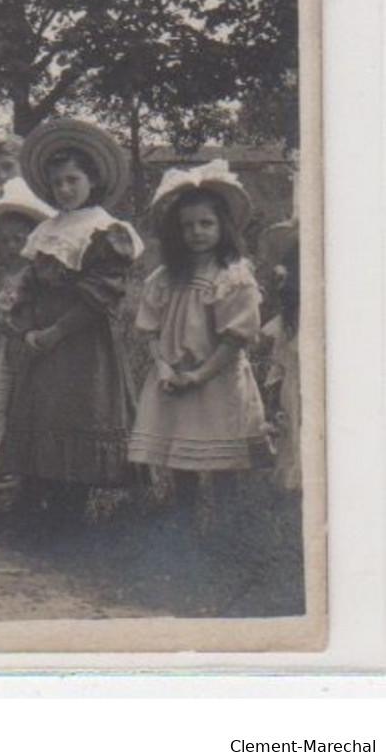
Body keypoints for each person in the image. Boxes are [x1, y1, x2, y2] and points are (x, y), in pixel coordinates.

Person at [0, 118, 143, 528]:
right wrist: (22, 324)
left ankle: (69, 512)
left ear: (91, 180)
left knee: (77, 414)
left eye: (72, 180)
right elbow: (27, 286)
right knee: (42, 413)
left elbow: (102, 296)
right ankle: (35, 499)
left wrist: (57, 331)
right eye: (57, 183)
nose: (64, 189)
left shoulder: (106, 230)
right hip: (40, 343)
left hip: (80, 344)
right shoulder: (46, 229)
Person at [127, 161, 270, 529]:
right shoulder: (165, 277)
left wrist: (200, 375)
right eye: (187, 225)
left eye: (206, 223)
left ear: (223, 227)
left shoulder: (232, 275)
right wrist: (163, 367)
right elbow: (151, 331)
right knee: (181, 455)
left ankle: (225, 533)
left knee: (222, 462)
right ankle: (183, 529)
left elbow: (235, 338)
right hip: (173, 377)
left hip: (216, 378)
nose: (197, 232)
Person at [0, 188, 52, 453]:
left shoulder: (38, 274)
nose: (11, 247)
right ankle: (2, 459)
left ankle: (25, 461)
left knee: (27, 400)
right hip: (2, 348)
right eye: (4, 241)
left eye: (19, 240)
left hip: (30, 344)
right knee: (0, 397)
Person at [262, 233, 302, 493]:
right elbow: (281, 360)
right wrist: (274, 395)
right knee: (296, 427)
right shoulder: (292, 318)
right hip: (295, 381)